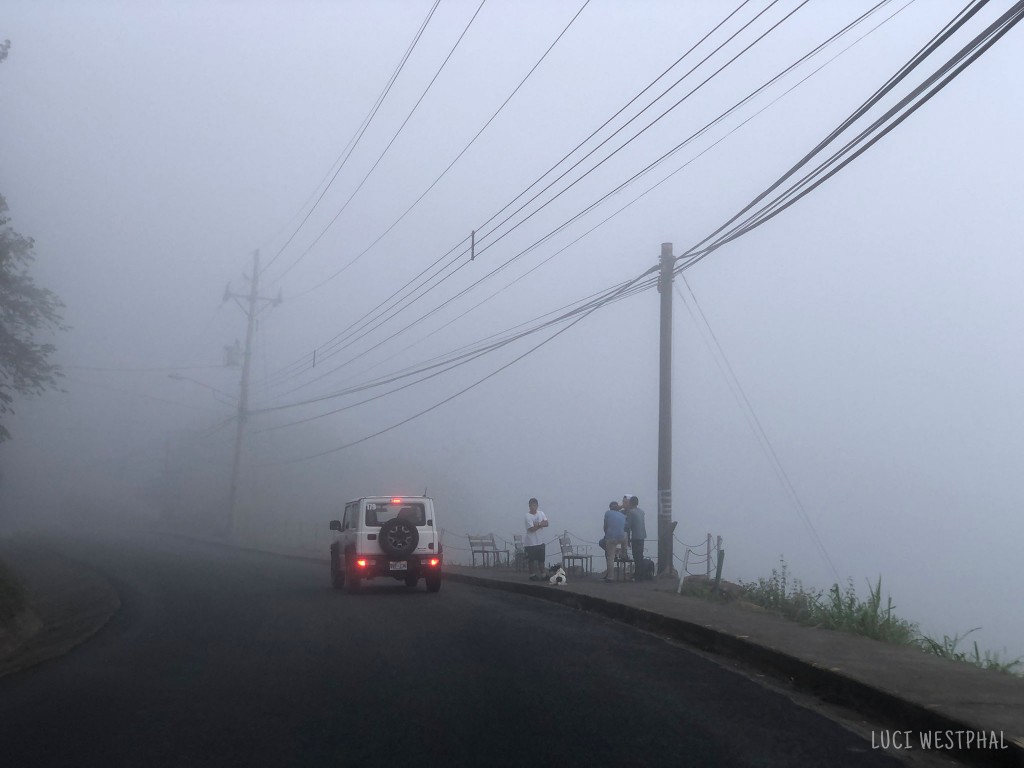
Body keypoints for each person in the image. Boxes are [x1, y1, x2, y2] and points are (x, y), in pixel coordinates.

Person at [523, 498, 549, 581]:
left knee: (541, 560)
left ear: (537, 506)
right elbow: (531, 529)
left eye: (534, 505)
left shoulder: (541, 513)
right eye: (531, 505)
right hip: (530, 543)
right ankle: (532, 575)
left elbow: (547, 523)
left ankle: (543, 575)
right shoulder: (527, 516)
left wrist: (537, 524)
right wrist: (541, 524)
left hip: (540, 541)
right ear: (529, 506)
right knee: (532, 560)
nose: (532, 507)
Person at [602, 500, 627, 583]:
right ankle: (624, 554)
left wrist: (606, 535)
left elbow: (605, 526)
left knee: (610, 557)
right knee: (625, 535)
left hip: (610, 537)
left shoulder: (607, 513)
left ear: (610, 507)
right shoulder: (623, 515)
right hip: (621, 537)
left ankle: (610, 577)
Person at [624, 495, 647, 581]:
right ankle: (641, 575)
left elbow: (628, 525)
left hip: (636, 536)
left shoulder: (630, 512)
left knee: (636, 556)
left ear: (631, 503)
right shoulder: (642, 512)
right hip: (642, 535)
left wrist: (623, 522)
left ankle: (638, 575)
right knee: (640, 555)